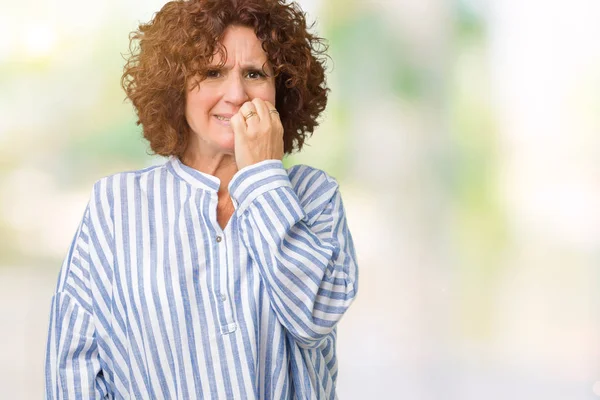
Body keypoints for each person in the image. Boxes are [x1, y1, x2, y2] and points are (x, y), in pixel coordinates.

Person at [45, 0, 359, 398]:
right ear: (177, 86)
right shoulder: (115, 206)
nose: (236, 94)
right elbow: (73, 369)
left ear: (282, 88)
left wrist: (262, 176)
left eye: (254, 73)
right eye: (212, 72)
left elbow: (314, 317)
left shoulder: (314, 197)